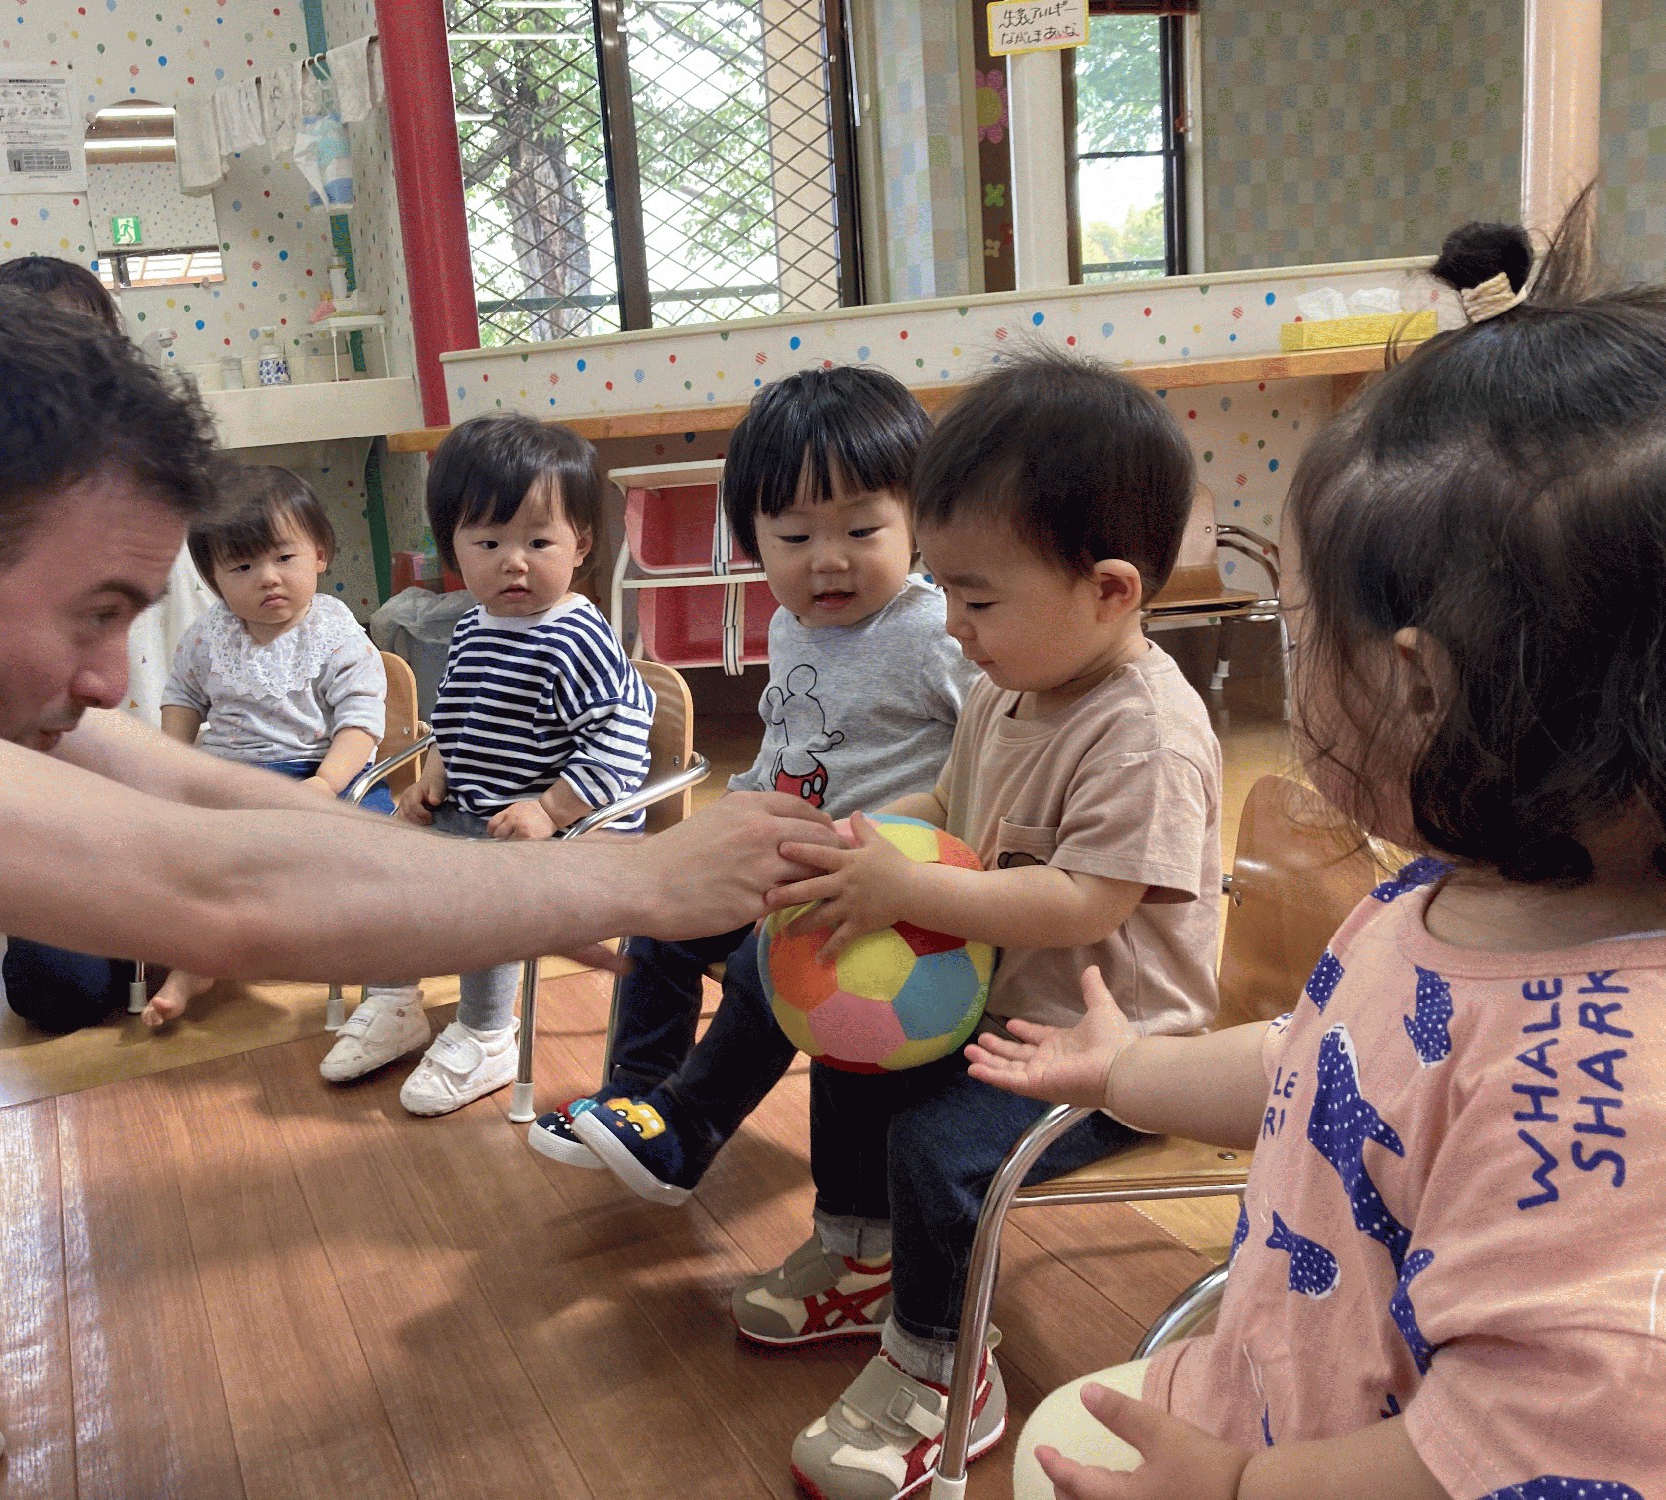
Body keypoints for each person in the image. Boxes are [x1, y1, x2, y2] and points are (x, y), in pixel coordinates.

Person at [0, 286, 837, 1500]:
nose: (109, 677)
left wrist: (550, 877)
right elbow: (210, 891)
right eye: (97, 614)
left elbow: (183, 788)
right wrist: (635, 874)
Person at [976, 215, 1666, 1500]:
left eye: (1297, 629)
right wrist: (1126, 1069)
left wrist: (1238, 1490)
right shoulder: (1437, 898)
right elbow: (1322, 1070)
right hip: (1276, 1402)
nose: (1290, 665)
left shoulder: (1597, 1086)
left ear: (1418, 685)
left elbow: (1526, 1450)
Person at [748, 348, 1225, 1500]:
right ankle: (861, 1255)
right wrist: (860, 842)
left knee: (939, 1145)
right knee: (849, 1059)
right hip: (1001, 1008)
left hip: (1110, 1051)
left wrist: (904, 892)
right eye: (943, 588)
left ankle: (941, 1373)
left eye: (976, 598)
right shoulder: (1008, 685)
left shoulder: (1144, 734)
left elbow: (1081, 902)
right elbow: (947, 806)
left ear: (1108, 591)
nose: (951, 626)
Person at [524, 366, 982, 1203]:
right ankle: (634, 1101)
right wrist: (718, 828)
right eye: (795, 537)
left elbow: (989, 758)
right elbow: (784, 747)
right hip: (791, 861)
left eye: (862, 529)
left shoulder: (934, 632)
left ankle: (687, 1131)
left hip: (881, 888)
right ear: (753, 540)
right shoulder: (792, 626)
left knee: (763, 959)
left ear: (918, 521)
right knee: (662, 924)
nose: (829, 561)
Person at [366, 413, 658, 1117]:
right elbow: (458, 719)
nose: (514, 562)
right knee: (381, 863)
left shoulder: (574, 636)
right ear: (454, 548)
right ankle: (394, 999)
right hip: (479, 808)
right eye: (489, 542)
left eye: (538, 541)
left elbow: (623, 739)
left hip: (570, 825)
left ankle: (488, 1033)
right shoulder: (474, 624)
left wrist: (551, 809)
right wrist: (436, 774)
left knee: (482, 893)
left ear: (580, 544)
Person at [0, 253, 223, 1034]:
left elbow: (202, 645)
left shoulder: (152, 488)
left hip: (165, 783)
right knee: (59, 993)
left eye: (90, 349)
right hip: (53, 808)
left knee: (197, 942)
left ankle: (156, 920)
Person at [137, 463, 417, 1027]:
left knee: (372, 856)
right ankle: (198, 959)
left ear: (319, 555)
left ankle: (379, 973)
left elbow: (361, 724)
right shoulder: (208, 634)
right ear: (213, 579)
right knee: (193, 854)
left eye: (284, 558)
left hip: (324, 771)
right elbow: (183, 696)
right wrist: (172, 762)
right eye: (242, 567)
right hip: (231, 774)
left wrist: (325, 784)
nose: (267, 578)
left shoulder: (336, 634)